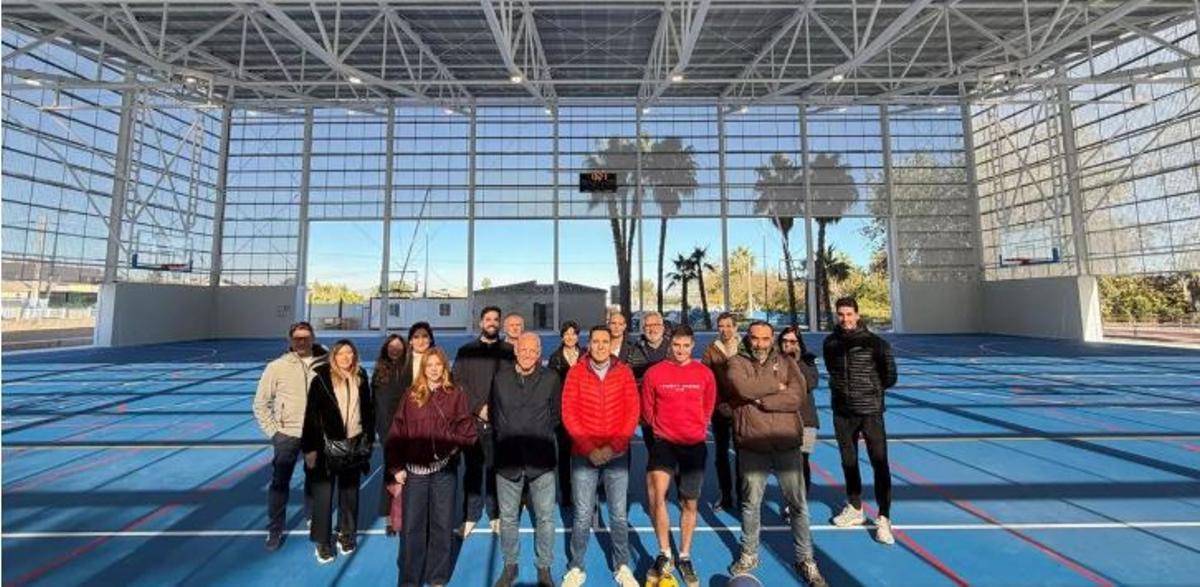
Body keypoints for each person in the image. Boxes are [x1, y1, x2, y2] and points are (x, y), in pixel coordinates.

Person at [726, 322, 826, 587]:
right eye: (755, 338)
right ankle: (749, 554)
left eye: (765, 339)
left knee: (798, 505)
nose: (760, 344)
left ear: (772, 339)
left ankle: (805, 559)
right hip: (752, 443)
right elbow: (743, 389)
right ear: (748, 338)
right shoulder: (736, 362)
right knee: (751, 504)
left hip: (786, 443)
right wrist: (777, 385)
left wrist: (764, 400)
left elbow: (797, 397)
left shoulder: (787, 362)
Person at [387, 348, 478, 587]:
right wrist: (396, 467)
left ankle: (437, 577)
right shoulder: (411, 395)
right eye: (430, 365)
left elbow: (468, 431)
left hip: (443, 472)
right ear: (423, 368)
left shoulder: (455, 394)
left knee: (442, 525)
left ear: (444, 367)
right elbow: (397, 432)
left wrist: (452, 445)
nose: (434, 369)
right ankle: (410, 579)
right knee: (412, 528)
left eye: (438, 364)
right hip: (415, 473)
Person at [560, 325, 641, 587]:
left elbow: (632, 412)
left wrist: (612, 447)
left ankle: (622, 565)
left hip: (617, 455)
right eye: (596, 341)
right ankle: (576, 566)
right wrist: (589, 449)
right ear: (589, 344)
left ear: (611, 344)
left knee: (618, 514)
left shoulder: (624, 372)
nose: (601, 346)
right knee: (583, 514)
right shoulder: (575, 373)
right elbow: (569, 413)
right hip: (584, 456)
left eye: (605, 341)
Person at [640, 325, 716, 587]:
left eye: (685, 346)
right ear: (669, 345)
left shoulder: (705, 374)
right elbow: (648, 411)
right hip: (664, 444)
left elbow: (708, 406)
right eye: (676, 345)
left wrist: (695, 427)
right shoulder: (654, 373)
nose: (681, 350)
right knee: (656, 496)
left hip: (693, 445)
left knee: (689, 503)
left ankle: (684, 555)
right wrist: (664, 429)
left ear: (693, 346)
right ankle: (665, 553)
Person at [823, 297, 898, 545]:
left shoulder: (876, 344)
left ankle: (884, 518)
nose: (845, 319)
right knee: (848, 461)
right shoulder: (830, 343)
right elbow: (832, 371)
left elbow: (890, 376)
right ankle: (855, 508)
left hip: (870, 411)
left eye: (849, 314)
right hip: (842, 412)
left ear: (857, 314)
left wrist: (869, 391)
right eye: (841, 314)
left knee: (879, 463)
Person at [491, 332, 561, 587]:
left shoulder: (551, 378)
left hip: (541, 460)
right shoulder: (500, 379)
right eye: (523, 350)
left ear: (539, 353)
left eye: (533, 351)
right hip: (508, 460)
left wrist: (537, 433)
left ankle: (544, 567)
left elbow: (556, 415)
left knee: (545, 518)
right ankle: (511, 565)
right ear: (516, 350)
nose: (528, 355)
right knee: (509, 517)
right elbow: (495, 413)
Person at [253, 321, 326, 551]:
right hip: (287, 435)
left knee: (314, 480)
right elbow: (261, 404)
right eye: (297, 338)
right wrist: (274, 432)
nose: (301, 342)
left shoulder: (326, 363)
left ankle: (312, 518)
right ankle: (275, 528)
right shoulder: (276, 367)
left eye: (306, 337)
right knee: (279, 483)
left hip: (316, 435)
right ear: (290, 341)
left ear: (313, 338)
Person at [301, 339, 374, 564]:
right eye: (341, 353)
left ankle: (346, 534)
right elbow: (311, 416)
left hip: (354, 445)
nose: (346, 357)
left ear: (355, 355)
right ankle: (322, 542)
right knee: (323, 496)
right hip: (326, 447)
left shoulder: (361, 376)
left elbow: (367, 410)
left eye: (349, 352)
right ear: (333, 356)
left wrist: (368, 440)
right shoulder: (321, 379)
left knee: (349, 494)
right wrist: (310, 449)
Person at [453, 306, 514, 536]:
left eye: (496, 319)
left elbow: (512, 383)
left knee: (495, 469)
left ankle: (495, 514)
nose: (492, 322)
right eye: (488, 319)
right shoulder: (466, 351)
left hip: (500, 422)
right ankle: (470, 516)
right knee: (473, 470)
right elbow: (459, 383)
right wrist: (479, 408)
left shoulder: (509, 351)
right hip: (472, 422)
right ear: (481, 323)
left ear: (499, 324)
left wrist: (495, 408)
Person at [701, 312, 741, 512]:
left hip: (742, 409)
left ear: (736, 327)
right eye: (721, 326)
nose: (725, 330)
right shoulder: (710, 350)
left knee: (743, 455)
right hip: (720, 410)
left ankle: (743, 496)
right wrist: (718, 404)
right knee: (721, 455)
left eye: (728, 326)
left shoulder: (745, 347)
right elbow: (706, 380)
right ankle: (725, 496)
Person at [778, 326, 819, 497]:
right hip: (781, 420)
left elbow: (810, 384)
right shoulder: (774, 361)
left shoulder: (808, 361)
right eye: (785, 341)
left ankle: (801, 499)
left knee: (802, 461)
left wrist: (796, 362)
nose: (788, 345)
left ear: (799, 344)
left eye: (793, 341)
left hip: (805, 419)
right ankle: (790, 498)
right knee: (785, 464)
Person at [546, 320, 582, 506]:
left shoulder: (586, 355)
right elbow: (551, 388)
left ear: (577, 336)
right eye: (566, 333)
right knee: (564, 455)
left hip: (584, 412)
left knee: (583, 455)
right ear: (562, 337)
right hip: (563, 413)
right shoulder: (555, 358)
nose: (570, 337)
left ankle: (583, 492)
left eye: (573, 333)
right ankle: (566, 493)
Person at [403, 321, 436, 391]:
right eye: (416, 337)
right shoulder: (403, 361)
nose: (421, 341)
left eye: (425, 336)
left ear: (430, 339)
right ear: (410, 341)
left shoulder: (439, 359)